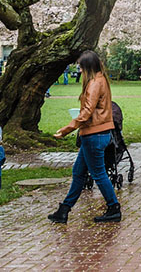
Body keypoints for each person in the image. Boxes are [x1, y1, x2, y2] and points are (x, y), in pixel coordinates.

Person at [49, 50, 121, 225]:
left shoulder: (94, 83)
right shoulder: (101, 79)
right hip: (99, 133)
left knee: (98, 173)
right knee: (79, 172)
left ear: (88, 67)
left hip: (93, 134)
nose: (79, 71)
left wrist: (67, 129)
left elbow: (87, 113)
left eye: (81, 67)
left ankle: (114, 207)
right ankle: (64, 210)